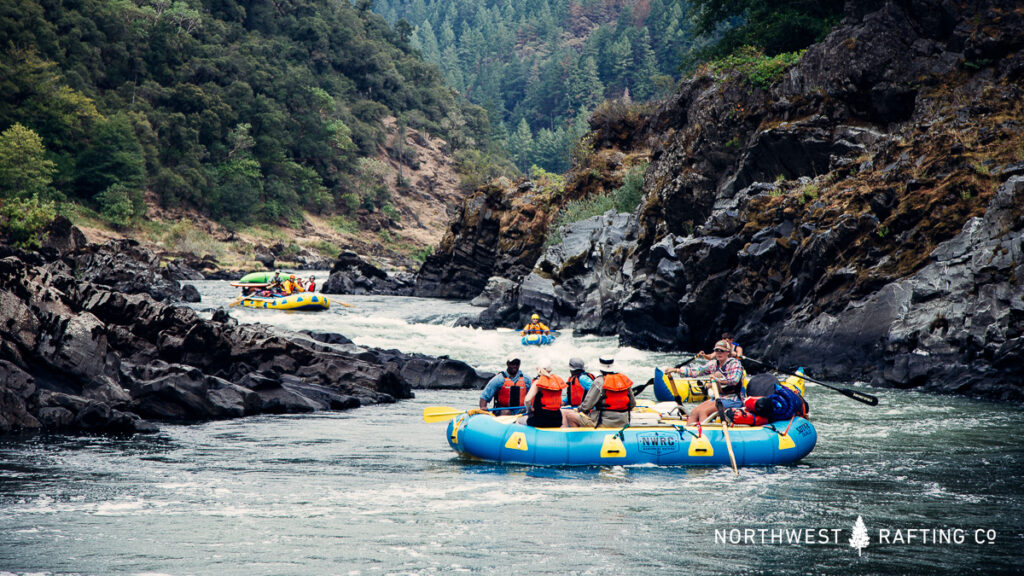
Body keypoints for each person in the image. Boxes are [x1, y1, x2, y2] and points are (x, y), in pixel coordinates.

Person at [665, 340, 744, 425]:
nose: (719, 353)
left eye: (722, 351)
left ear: (728, 352)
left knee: (703, 411)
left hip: (733, 399)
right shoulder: (713, 364)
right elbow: (696, 371)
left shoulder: (735, 364)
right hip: (718, 398)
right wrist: (676, 370)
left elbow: (734, 380)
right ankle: (690, 434)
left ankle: (704, 434)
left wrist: (717, 380)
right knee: (695, 411)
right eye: (717, 350)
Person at [575, 357, 635, 428]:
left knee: (569, 415)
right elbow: (632, 404)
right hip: (624, 421)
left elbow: (587, 406)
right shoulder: (624, 380)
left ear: (600, 368)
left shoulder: (599, 381)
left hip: (603, 423)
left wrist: (579, 409)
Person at [517, 361, 568, 428]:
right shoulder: (557, 381)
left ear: (537, 369)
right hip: (557, 419)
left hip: (541, 419)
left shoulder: (538, 382)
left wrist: (529, 410)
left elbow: (527, 400)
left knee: (518, 420)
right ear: (550, 369)